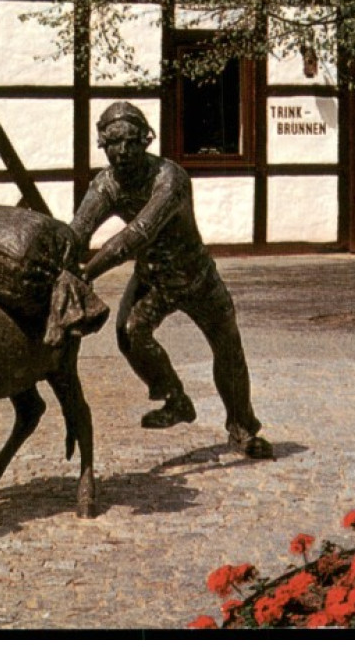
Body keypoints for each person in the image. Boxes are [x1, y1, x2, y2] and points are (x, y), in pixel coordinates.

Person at [68, 101, 272, 459]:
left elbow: (138, 234)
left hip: (197, 278)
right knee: (130, 333)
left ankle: (242, 427)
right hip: (153, 279)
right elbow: (77, 231)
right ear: (103, 145)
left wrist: (88, 273)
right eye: (114, 143)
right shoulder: (106, 185)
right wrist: (58, 257)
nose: (123, 151)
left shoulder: (170, 178)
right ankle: (174, 398)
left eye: (131, 141)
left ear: (145, 141)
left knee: (228, 348)